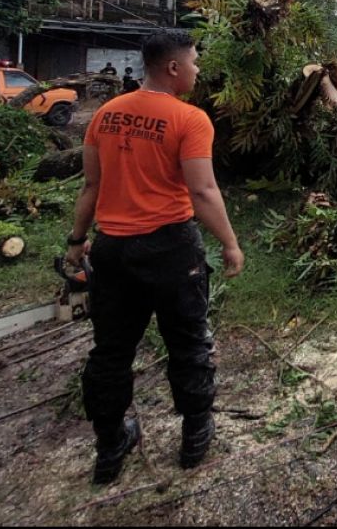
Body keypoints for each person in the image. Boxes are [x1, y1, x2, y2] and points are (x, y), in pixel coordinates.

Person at [65, 29, 245, 484]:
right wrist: (229, 242)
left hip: (112, 251)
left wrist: (76, 240)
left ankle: (109, 447)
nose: (198, 70)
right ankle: (195, 436)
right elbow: (202, 191)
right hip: (171, 249)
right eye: (195, 62)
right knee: (188, 341)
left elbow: (91, 186)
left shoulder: (105, 115)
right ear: (173, 67)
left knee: (111, 351)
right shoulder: (190, 119)